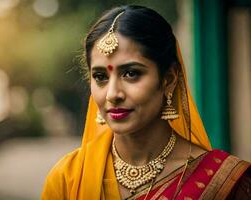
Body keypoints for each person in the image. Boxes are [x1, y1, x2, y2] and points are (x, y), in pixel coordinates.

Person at [41, 5, 251, 200]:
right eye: (100, 77)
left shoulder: (226, 181)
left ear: (168, 79)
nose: (112, 94)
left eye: (131, 73)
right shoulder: (68, 178)